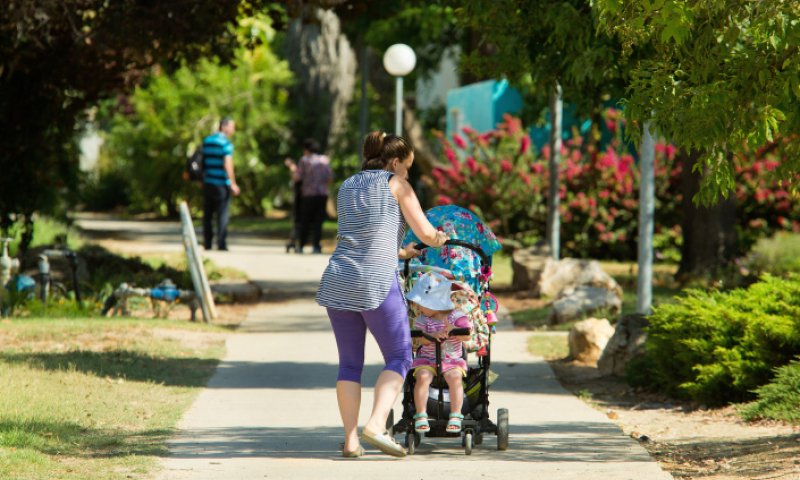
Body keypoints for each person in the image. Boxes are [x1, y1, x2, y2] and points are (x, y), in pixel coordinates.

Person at [316, 131, 449, 458]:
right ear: (393, 162)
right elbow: (426, 232)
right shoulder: (397, 184)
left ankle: (351, 441)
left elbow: (362, 234)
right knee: (401, 355)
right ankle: (376, 424)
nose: (408, 174)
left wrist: (398, 252)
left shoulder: (347, 185)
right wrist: (438, 239)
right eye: (407, 167)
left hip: (339, 277)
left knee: (349, 364)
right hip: (375, 280)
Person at [405, 272, 472, 435]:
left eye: (421, 304)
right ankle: (421, 414)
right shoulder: (423, 320)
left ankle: (456, 414)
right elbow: (420, 339)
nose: (418, 307)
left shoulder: (456, 316)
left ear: (434, 303)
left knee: (455, 377)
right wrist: (430, 337)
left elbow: (467, 335)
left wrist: (454, 330)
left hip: (452, 360)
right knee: (422, 377)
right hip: (428, 359)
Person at [286, 138, 332, 254]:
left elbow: (297, 177)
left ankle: (301, 245)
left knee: (305, 220)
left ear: (306, 149)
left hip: (308, 194)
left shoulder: (304, 160)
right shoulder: (324, 160)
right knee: (318, 221)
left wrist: (292, 168)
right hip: (322, 194)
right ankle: (316, 246)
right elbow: (329, 178)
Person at [202, 117, 240, 251]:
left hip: (207, 183)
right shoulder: (225, 144)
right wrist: (232, 183)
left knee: (208, 214)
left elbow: (203, 162)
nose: (233, 130)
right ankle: (221, 243)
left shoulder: (207, 141)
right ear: (224, 127)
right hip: (221, 184)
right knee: (222, 214)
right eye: (232, 127)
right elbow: (227, 164)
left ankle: (207, 243)